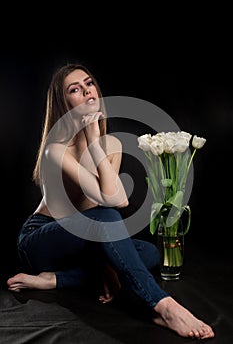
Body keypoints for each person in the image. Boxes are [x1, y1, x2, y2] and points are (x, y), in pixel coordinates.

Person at [7, 63, 214, 340]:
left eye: (89, 83)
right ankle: (164, 306)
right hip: (43, 240)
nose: (87, 91)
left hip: (85, 241)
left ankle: (56, 279)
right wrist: (92, 143)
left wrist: (95, 142)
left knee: (150, 253)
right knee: (107, 219)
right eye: (75, 89)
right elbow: (112, 204)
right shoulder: (55, 149)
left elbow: (116, 199)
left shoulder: (112, 144)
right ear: (64, 101)